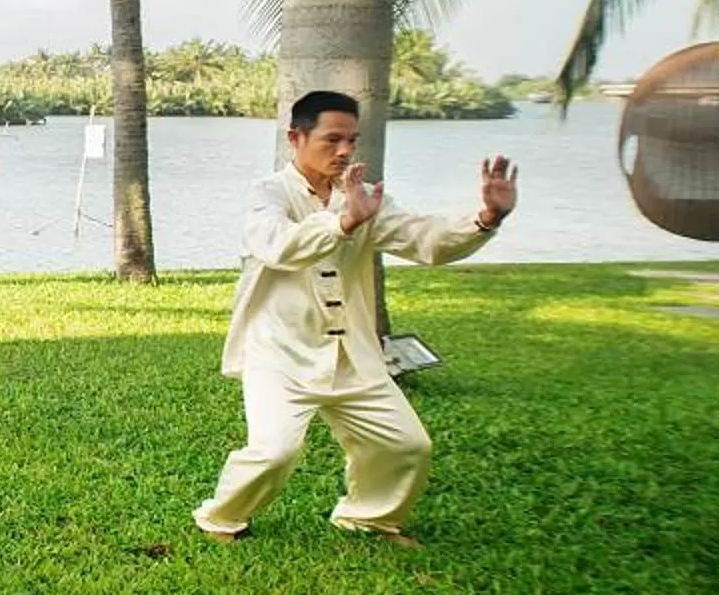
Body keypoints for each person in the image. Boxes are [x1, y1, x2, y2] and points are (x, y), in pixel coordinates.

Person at [196, 91, 520, 545]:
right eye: (332, 139)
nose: (345, 151)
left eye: (352, 140)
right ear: (296, 137)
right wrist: (343, 223)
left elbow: (424, 238)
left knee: (406, 445)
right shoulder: (268, 193)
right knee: (274, 452)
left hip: (352, 355)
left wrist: (486, 218)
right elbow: (278, 245)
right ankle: (222, 518)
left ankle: (368, 517)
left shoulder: (364, 198)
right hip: (279, 354)